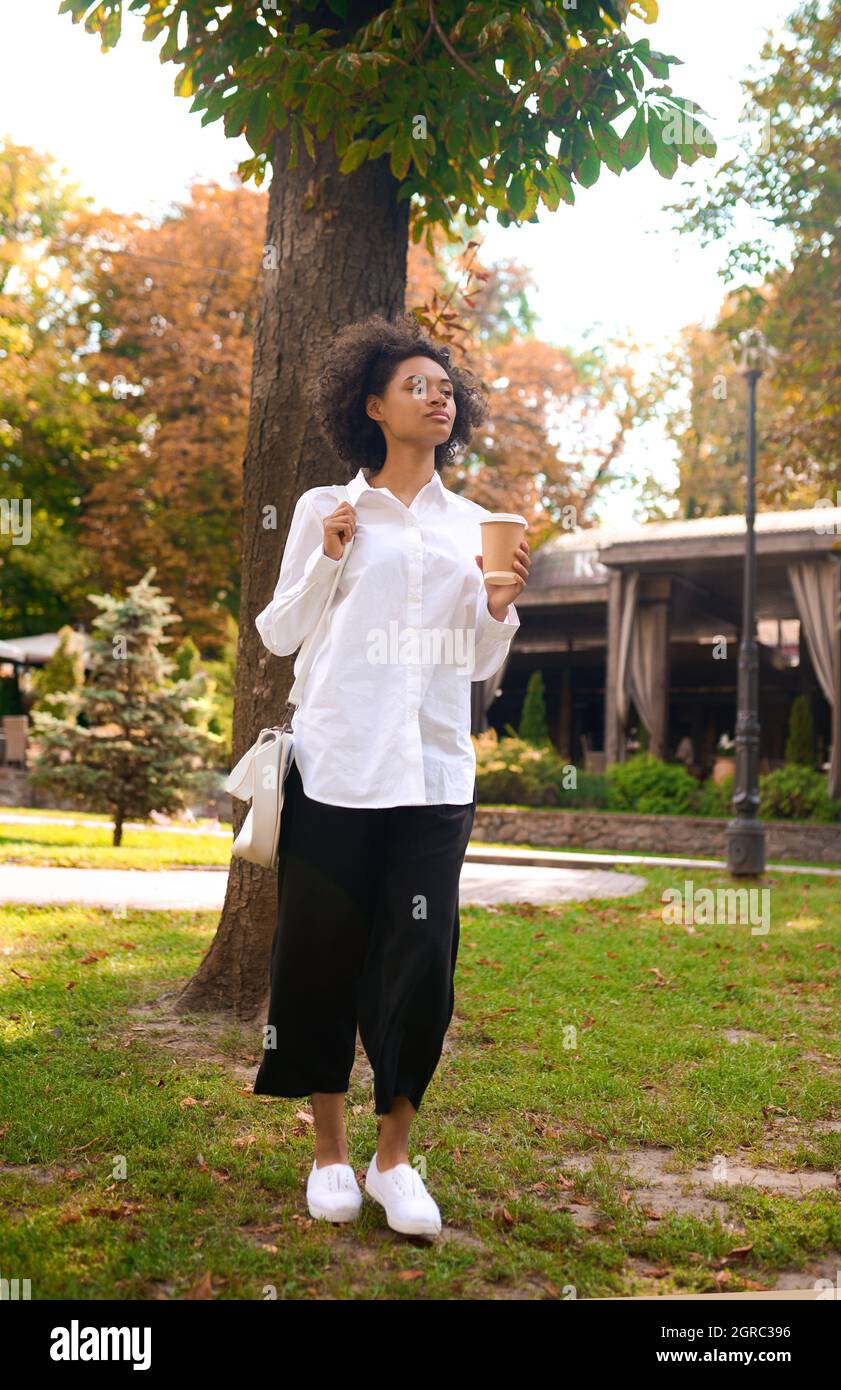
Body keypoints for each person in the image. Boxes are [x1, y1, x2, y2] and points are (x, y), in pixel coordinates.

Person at [251, 313, 529, 1237]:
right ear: (371, 406)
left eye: (445, 387)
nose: (436, 395)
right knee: (319, 958)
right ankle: (328, 1155)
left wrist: (498, 605)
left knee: (419, 969)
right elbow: (279, 635)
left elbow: (478, 660)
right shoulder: (324, 509)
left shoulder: (472, 526)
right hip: (335, 764)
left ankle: (393, 1161)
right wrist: (328, 560)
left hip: (435, 773)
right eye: (416, 384)